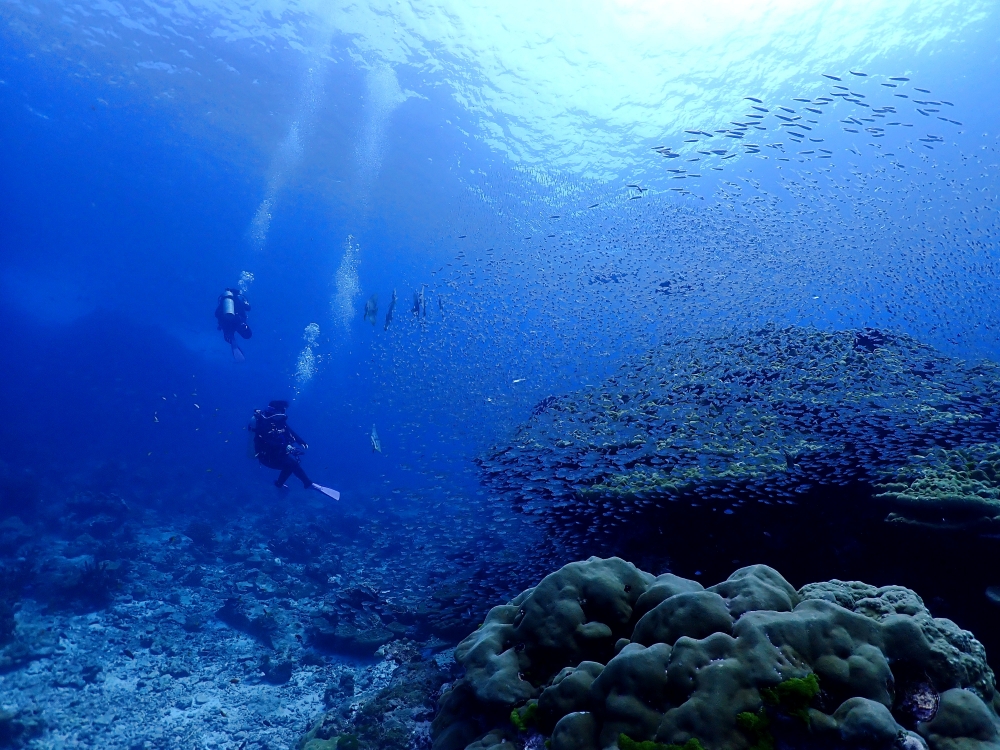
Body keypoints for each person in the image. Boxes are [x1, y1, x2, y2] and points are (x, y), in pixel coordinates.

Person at [248, 400, 340, 500]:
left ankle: (284, 484)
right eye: (283, 411)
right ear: (277, 411)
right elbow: (266, 440)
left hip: (277, 455)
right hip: (266, 457)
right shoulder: (263, 423)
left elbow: (289, 431)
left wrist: (301, 441)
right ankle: (307, 484)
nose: (284, 414)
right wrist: (285, 447)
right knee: (292, 465)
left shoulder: (279, 420)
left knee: (292, 464)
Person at [215, 287, 252, 361]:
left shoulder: (224, 301)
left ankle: (232, 341)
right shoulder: (239, 300)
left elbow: (216, 313)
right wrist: (246, 303)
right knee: (247, 334)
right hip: (238, 321)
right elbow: (248, 308)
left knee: (230, 335)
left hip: (226, 323)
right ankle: (241, 328)